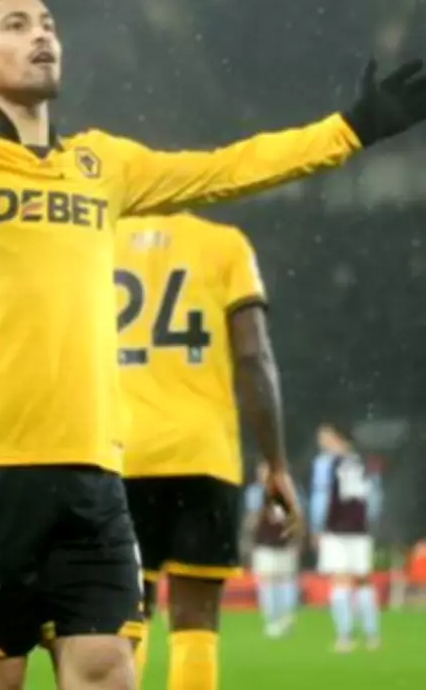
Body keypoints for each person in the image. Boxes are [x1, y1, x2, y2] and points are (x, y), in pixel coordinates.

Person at [0, 0, 426, 690]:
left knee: (108, 670)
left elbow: (227, 169)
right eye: (16, 25)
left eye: (48, 23)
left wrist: (350, 129)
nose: (42, 34)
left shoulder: (102, 165)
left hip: (93, 472)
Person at [114, 213, 302, 689]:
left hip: (118, 453)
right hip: (202, 455)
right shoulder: (224, 245)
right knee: (195, 617)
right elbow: (253, 356)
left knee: (123, 612)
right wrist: (276, 464)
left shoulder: (100, 241)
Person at [310, 423, 383, 652]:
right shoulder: (364, 462)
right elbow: (376, 498)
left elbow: (321, 496)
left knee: (340, 580)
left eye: (325, 437)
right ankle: (372, 636)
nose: (322, 442)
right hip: (360, 529)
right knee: (363, 580)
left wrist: (316, 526)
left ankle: (345, 636)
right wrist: (368, 523)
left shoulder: (325, 463)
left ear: (337, 438)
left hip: (336, 529)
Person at [244, 462, 302, 638]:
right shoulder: (281, 491)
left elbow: (252, 520)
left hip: (278, 543)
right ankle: (276, 619)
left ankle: (282, 618)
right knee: (272, 581)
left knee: (280, 581)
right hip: (268, 543)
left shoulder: (260, 492)